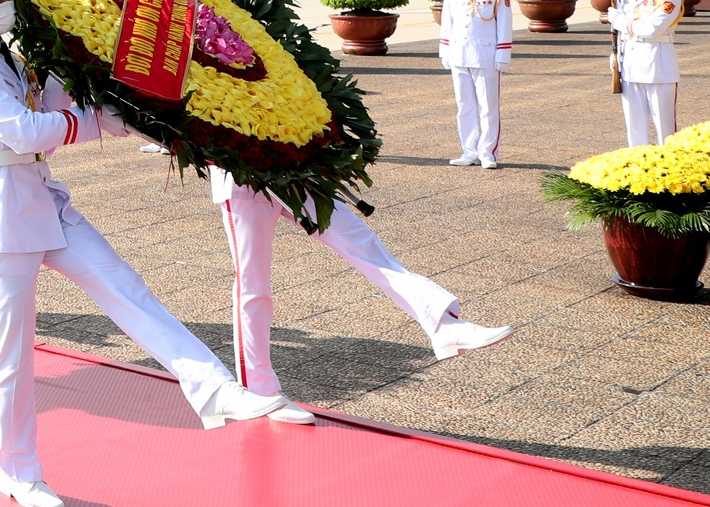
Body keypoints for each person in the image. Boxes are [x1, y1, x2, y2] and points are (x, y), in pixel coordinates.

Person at [0, 0, 295, 507]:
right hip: (2, 213)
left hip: (45, 199)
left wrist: (165, 124)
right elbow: (28, 132)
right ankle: (19, 472)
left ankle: (213, 387)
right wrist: (83, 120)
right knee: (14, 353)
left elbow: (77, 110)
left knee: (127, 288)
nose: (6, 2)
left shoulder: (16, 57)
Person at [211, 166, 511, 413]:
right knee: (254, 285)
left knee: (364, 245)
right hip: (240, 179)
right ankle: (261, 392)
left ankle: (442, 325)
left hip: (296, 169)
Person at [439, 0, 512, 169]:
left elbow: (504, 23)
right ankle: (468, 150)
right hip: (459, 53)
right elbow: (447, 20)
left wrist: (503, 53)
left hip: (486, 55)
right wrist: (445, 49)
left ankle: (487, 152)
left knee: (488, 106)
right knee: (464, 105)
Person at [609, 0, 684, 146]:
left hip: (657, 65)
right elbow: (623, 32)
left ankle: (670, 168)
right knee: (634, 126)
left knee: (665, 128)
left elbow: (652, 29)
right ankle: (638, 167)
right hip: (630, 65)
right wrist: (615, 54)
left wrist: (619, 21)